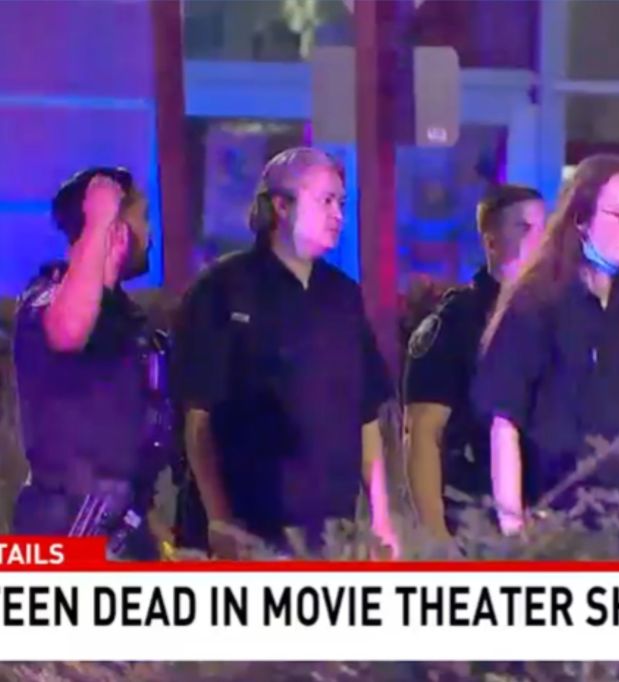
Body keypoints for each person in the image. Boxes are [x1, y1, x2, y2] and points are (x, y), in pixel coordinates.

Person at [170, 147, 399, 558]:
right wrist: (219, 519)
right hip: (248, 530)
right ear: (281, 206)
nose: (338, 216)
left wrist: (381, 518)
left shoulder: (342, 296)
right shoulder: (222, 290)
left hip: (331, 532)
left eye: (341, 204)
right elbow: (198, 417)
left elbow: (365, 416)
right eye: (326, 201)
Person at [472, 154, 619, 535]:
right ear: (582, 220)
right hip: (557, 526)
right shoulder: (536, 305)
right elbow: (505, 422)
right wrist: (513, 528)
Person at [11, 167, 166, 559]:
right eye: (142, 218)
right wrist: (99, 219)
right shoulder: (47, 297)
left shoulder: (131, 321)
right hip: (65, 533)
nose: (150, 235)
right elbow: (67, 330)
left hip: (126, 529)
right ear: (117, 230)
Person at [404, 184, 545, 539]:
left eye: (546, 228)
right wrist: (436, 539)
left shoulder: (556, 317)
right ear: (491, 242)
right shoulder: (456, 322)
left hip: (547, 520)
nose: (541, 240)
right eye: (525, 228)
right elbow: (423, 432)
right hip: (474, 519)